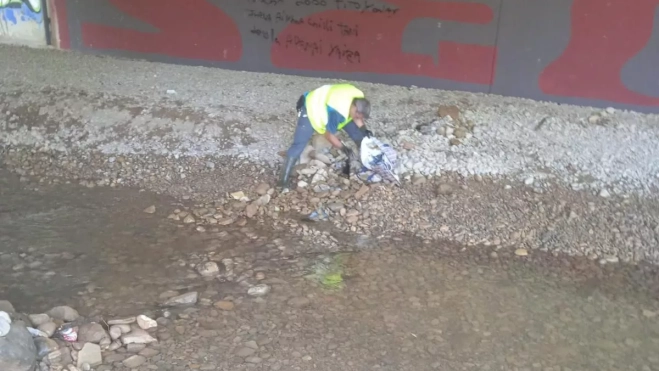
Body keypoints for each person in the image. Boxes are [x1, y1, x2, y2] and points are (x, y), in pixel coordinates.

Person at [278, 83, 373, 191]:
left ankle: (366, 154)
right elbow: (328, 135)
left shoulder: (357, 98)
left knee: (356, 132)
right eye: (356, 115)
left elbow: (357, 118)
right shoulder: (337, 111)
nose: (357, 118)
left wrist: (364, 130)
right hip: (311, 107)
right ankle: (282, 182)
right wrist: (344, 148)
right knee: (298, 145)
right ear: (354, 108)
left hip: (328, 101)